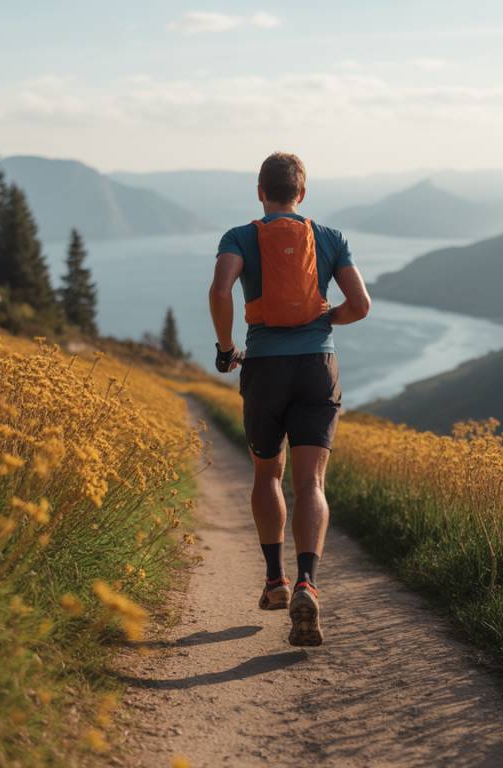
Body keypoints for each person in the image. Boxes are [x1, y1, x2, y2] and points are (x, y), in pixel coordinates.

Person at [209, 152, 371, 647]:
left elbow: (219, 292)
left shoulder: (239, 236)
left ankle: (276, 581)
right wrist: (324, 320)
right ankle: (308, 581)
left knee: (267, 473)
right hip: (317, 369)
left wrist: (225, 348)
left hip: (264, 369)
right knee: (311, 482)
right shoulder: (329, 238)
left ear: (260, 191)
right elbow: (360, 306)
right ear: (302, 194)